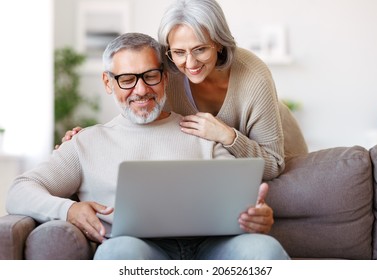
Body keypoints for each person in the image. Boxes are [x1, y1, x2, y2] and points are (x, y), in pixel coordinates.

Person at [6, 33, 289, 260]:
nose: (141, 90)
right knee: (118, 253)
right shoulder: (85, 143)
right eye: (127, 80)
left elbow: (242, 198)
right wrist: (67, 210)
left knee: (264, 250)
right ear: (108, 82)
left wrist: (256, 216)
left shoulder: (200, 131)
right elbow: (20, 190)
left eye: (150, 76)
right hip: (137, 250)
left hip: (212, 247)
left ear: (165, 78)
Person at [60, 0, 308, 181]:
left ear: (220, 44)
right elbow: (139, 109)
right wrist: (90, 139)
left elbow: (274, 165)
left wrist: (227, 136)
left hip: (277, 153)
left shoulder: (254, 75)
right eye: (179, 52)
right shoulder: (165, 72)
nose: (190, 64)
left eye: (200, 49)